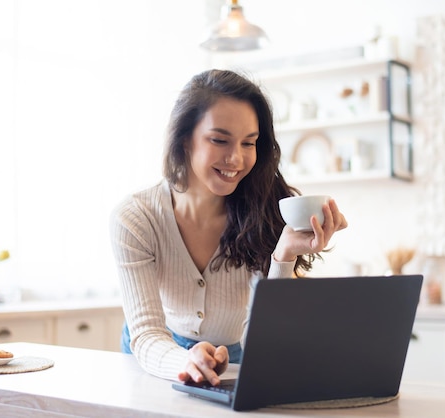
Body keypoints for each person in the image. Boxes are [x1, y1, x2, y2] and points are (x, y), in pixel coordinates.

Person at [109, 69, 347, 386]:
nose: (236, 158)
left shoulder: (270, 212)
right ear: (184, 140)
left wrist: (285, 254)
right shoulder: (136, 217)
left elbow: (265, 338)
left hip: (231, 358)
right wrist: (186, 361)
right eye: (219, 140)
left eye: (249, 143)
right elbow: (146, 333)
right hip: (154, 355)